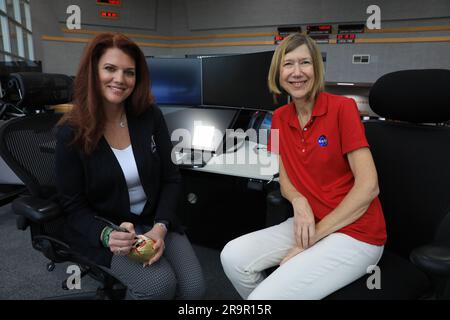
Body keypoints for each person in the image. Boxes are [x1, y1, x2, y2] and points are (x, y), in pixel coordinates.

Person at [220, 33, 386, 300]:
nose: (297, 72)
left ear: (316, 69)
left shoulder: (343, 108)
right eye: (288, 64)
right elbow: (285, 177)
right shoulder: (280, 118)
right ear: (278, 72)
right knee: (233, 257)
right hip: (308, 222)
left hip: (357, 232)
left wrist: (307, 242)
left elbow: (368, 187)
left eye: (305, 63)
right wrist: (298, 201)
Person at [55, 32, 205, 300]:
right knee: (159, 286)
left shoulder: (149, 116)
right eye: (110, 69)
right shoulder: (71, 131)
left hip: (155, 218)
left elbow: (171, 178)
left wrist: (160, 226)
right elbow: (72, 205)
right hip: (109, 229)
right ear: (93, 72)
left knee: (194, 289)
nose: (120, 80)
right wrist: (105, 235)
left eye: (129, 72)